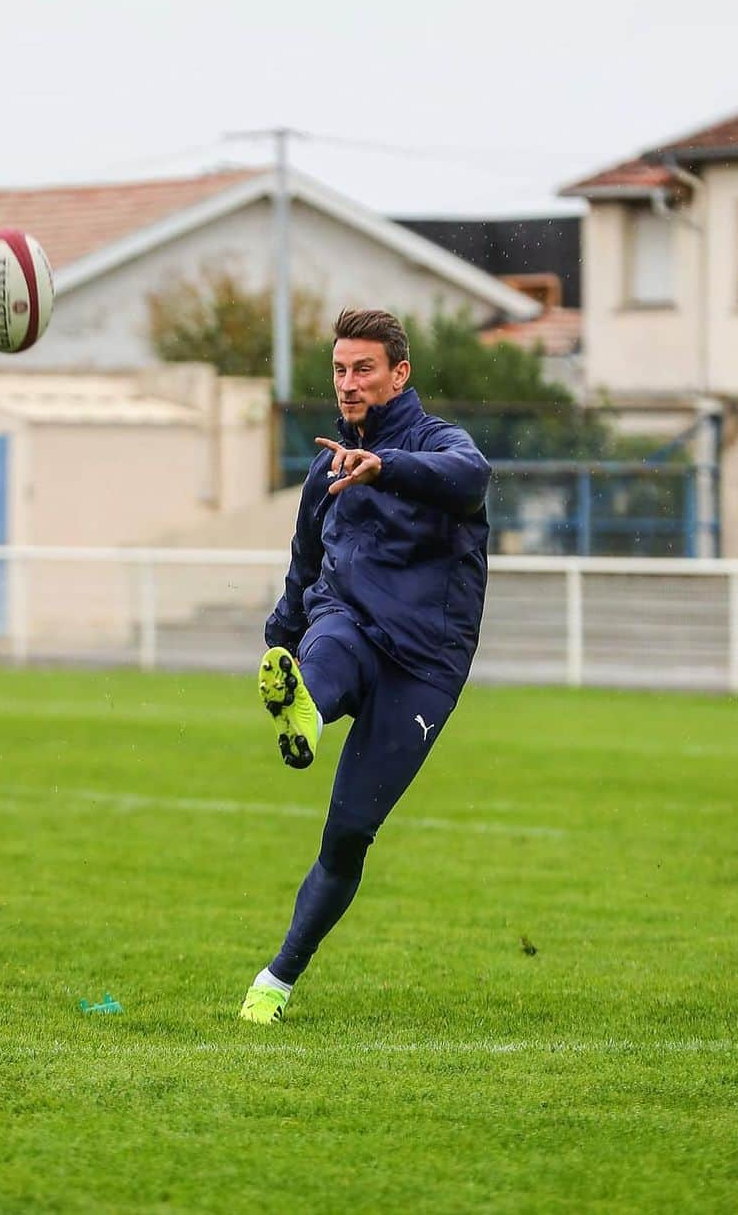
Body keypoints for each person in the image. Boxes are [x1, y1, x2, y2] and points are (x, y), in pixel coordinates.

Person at [239, 307, 492, 1024]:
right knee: (328, 641)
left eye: (364, 369)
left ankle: (277, 979)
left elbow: (470, 478)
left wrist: (386, 466)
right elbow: (303, 565)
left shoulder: (439, 445)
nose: (348, 384)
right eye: (340, 370)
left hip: (425, 666)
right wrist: (277, 638)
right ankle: (302, 713)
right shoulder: (325, 467)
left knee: (348, 836)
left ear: (399, 374)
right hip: (347, 624)